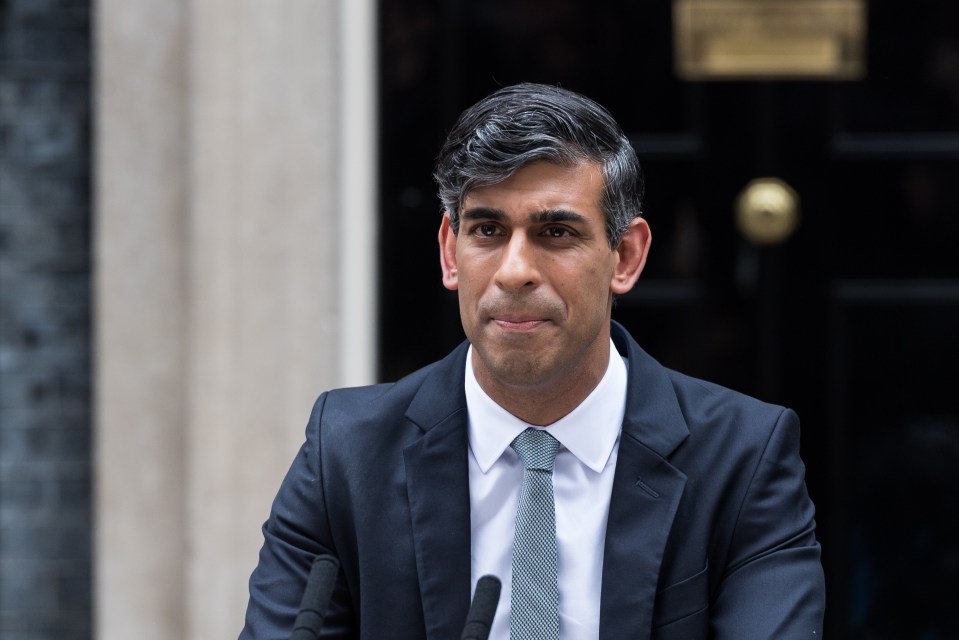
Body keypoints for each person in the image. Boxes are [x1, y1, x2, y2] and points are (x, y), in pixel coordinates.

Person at [239, 83, 825, 639]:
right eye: (487, 229)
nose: (514, 270)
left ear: (626, 256)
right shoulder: (346, 453)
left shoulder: (742, 458)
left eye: (555, 233)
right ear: (450, 252)